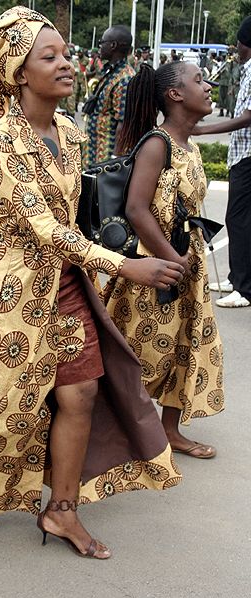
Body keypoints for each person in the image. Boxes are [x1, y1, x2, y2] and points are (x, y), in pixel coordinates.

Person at [0, 7, 185, 560]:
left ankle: (61, 509)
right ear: (20, 73)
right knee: (6, 403)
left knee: (82, 393)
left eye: (67, 53)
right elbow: (43, 227)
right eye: (50, 57)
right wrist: (126, 266)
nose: (67, 63)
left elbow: (74, 217)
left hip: (69, 285)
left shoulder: (68, 131)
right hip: (18, 294)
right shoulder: (1, 139)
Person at [107, 61, 224, 458]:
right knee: (139, 350)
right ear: (175, 95)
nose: (208, 86)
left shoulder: (187, 143)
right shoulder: (157, 144)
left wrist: (187, 259)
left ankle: (169, 430)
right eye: (198, 80)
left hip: (186, 263)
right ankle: (119, 432)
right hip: (156, 267)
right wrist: (173, 259)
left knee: (187, 345)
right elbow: (138, 209)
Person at [193, 17, 251, 308]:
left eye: (240, 42)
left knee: (238, 220)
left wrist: (202, 129)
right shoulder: (247, 68)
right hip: (243, 154)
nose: (237, 48)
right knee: (238, 219)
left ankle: (244, 288)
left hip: (248, 156)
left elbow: (249, 115)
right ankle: (237, 277)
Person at [82, 25, 135, 168]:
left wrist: (115, 160)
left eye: (102, 42)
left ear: (113, 45)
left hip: (106, 160)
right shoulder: (112, 72)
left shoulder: (125, 79)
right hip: (95, 154)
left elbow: (123, 124)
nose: (99, 47)